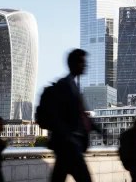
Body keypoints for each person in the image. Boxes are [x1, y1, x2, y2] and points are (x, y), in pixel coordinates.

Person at [50, 49, 100, 182]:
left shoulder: (73, 86)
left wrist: (98, 129)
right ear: (74, 64)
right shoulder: (65, 85)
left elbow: (81, 115)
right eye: (82, 63)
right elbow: (57, 115)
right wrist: (68, 137)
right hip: (70, 147)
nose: (85, 66)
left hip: (69, 147)